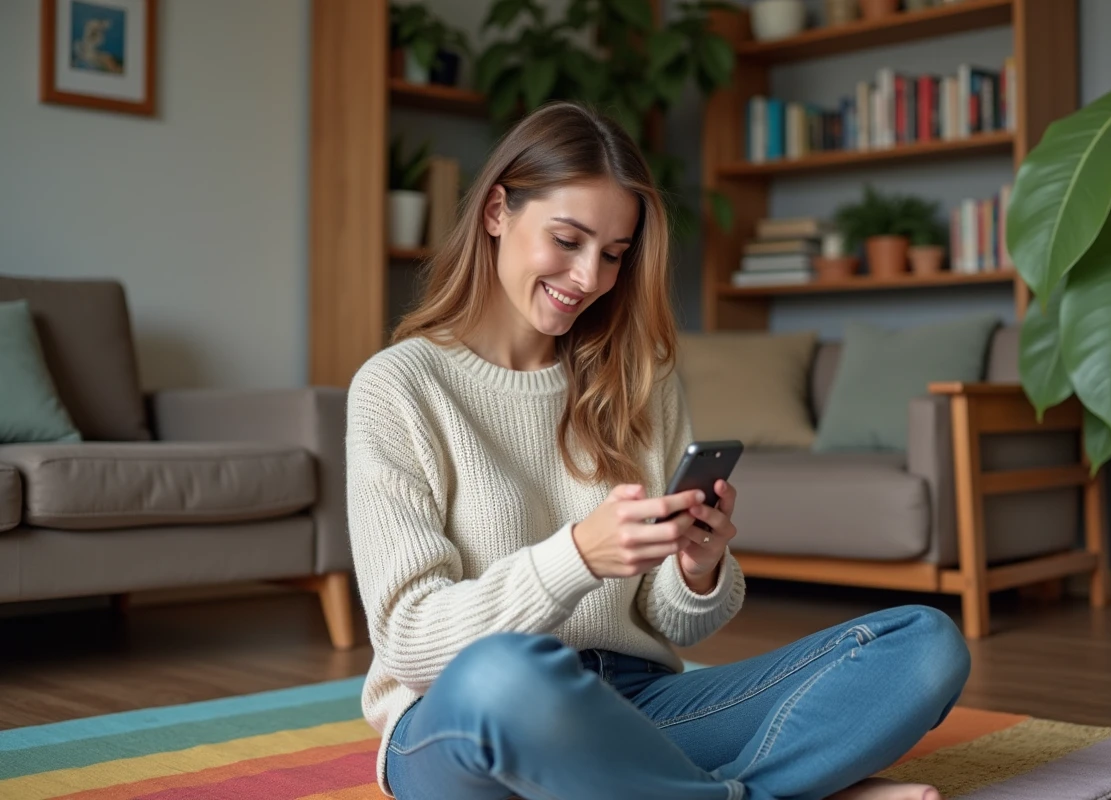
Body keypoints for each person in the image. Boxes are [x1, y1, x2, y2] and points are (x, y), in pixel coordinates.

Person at [345, 101, 971, 800]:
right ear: (497, 211)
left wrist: (697, 569)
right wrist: (575, 557)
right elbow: (408, 638)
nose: (588, 277)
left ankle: (671, 789)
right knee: (506, 675)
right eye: (568, 239)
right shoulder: (398, 387)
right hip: (467, 722)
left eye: (613, 255)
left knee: (922, 645)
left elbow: (674, 624)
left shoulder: (639, 377)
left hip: (639, 706)